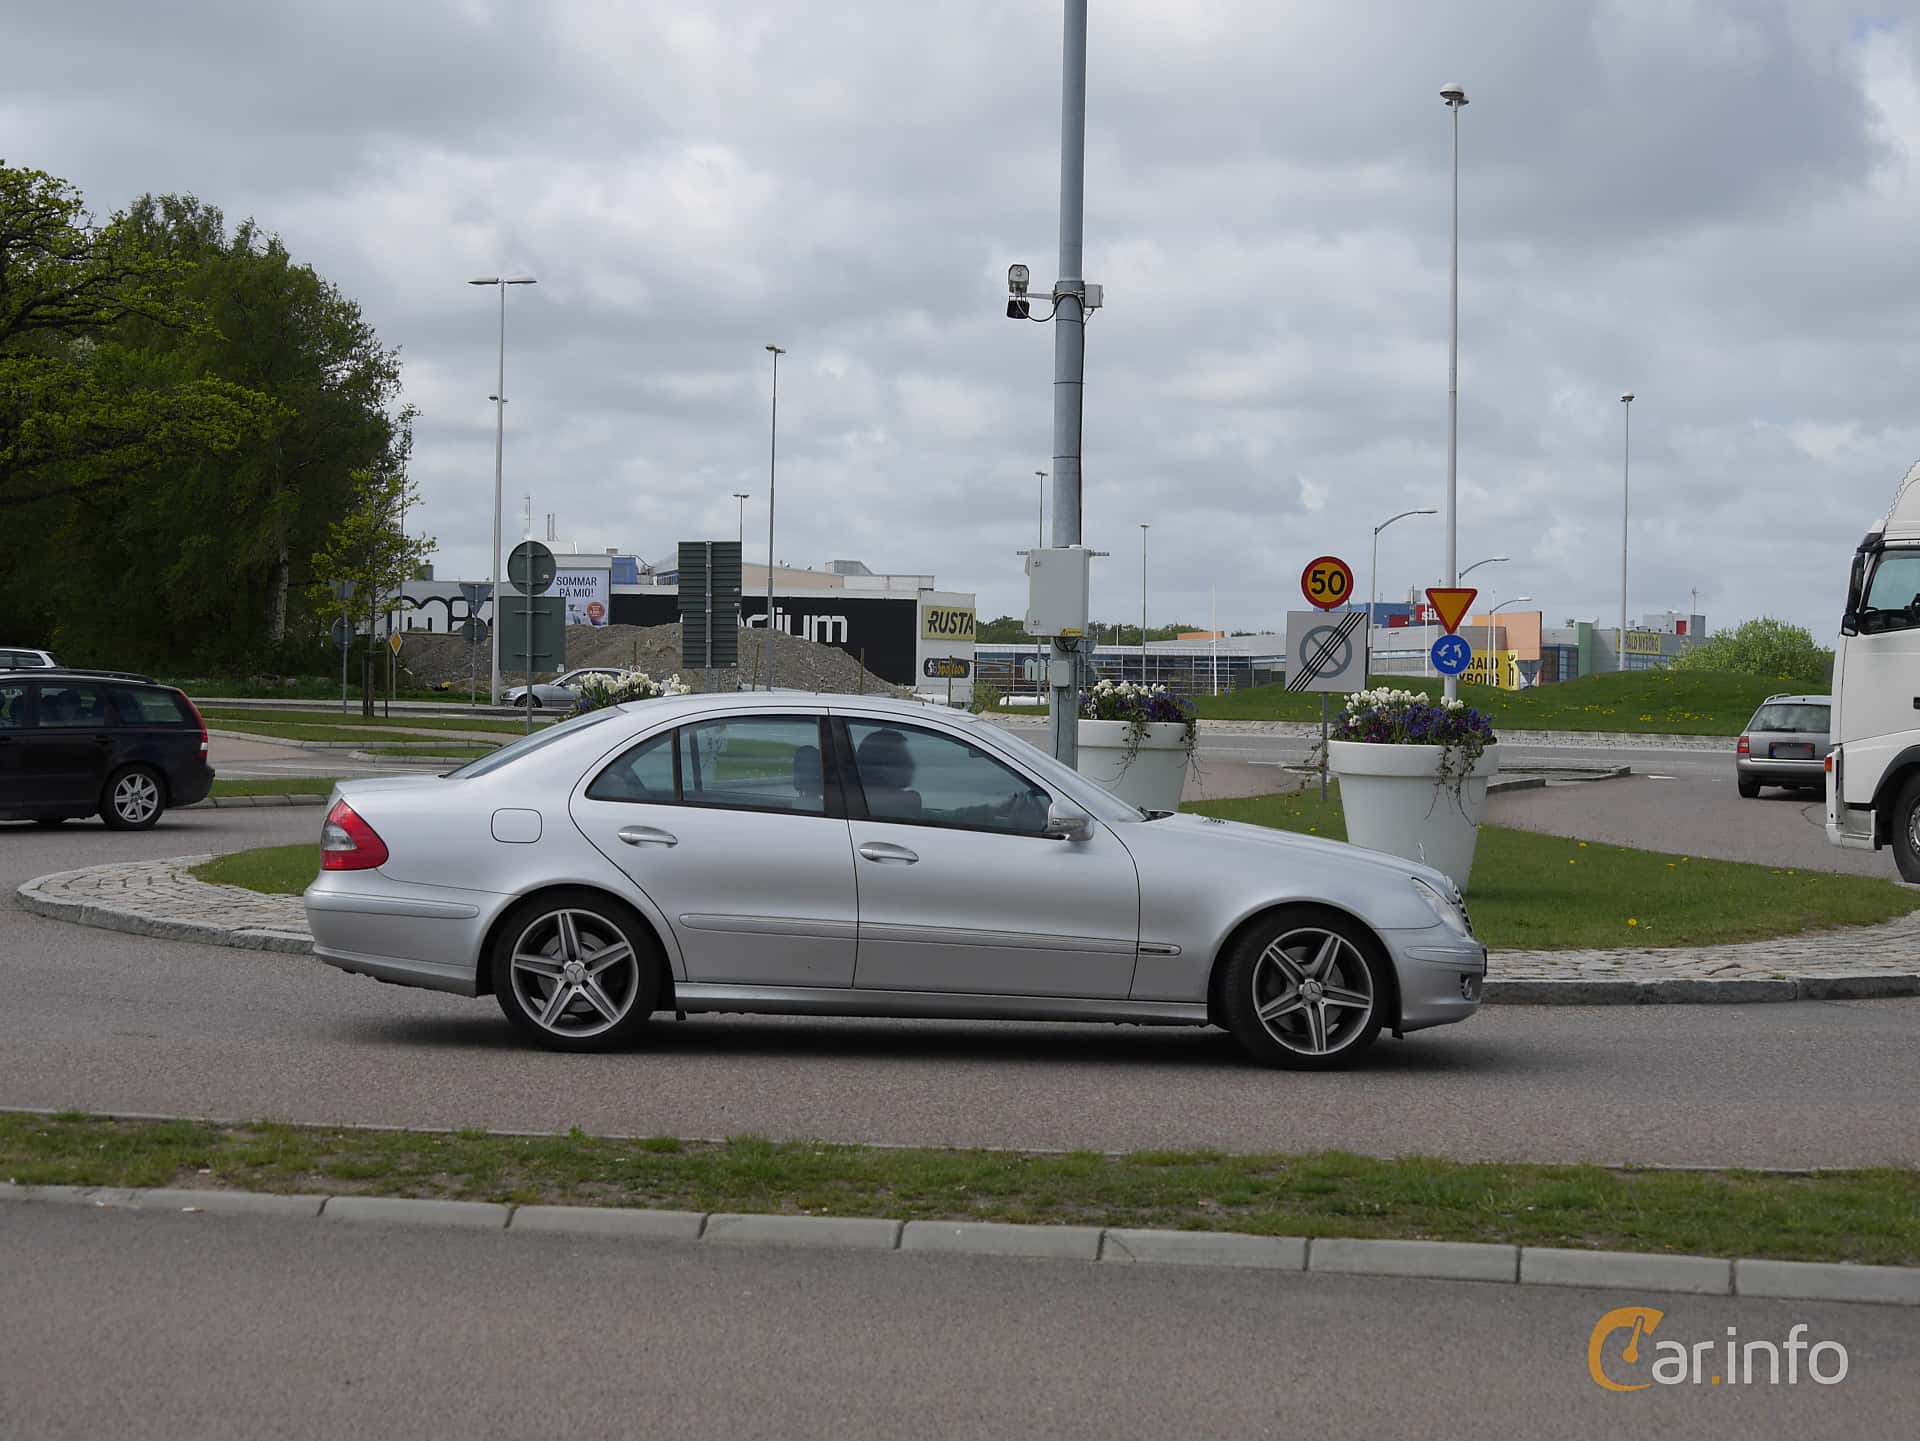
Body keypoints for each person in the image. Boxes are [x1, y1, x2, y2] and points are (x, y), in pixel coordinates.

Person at [855, 729, 922, 820]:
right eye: (904, 759)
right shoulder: (888, 808)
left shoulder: (861, 800)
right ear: (883, 765)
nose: (912, 764)